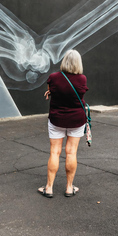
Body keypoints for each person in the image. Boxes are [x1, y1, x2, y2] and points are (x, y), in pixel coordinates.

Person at [38, 50, 88, 198]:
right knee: (71, 152)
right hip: (76, 119)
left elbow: (53, 90)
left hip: (57, 119)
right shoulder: (82, 79)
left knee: (54, 152)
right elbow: (79, 94)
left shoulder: (53, 77)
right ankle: (69, 187)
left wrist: (50, 93)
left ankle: (49, 188)